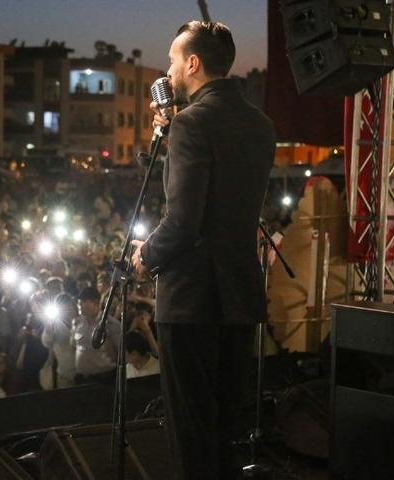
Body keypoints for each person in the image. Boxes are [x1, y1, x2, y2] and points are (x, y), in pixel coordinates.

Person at [131, 21, 276, 480]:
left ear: (193, 63)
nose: (169, 70)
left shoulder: (191, 123)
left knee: (192, 433)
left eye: (173, 60)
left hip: (192, 299)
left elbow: (183, 221)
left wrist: (146, 255)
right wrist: (169, 137)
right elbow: (221, 197)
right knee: (225, 430)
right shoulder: (260, 124)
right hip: (238, 294)